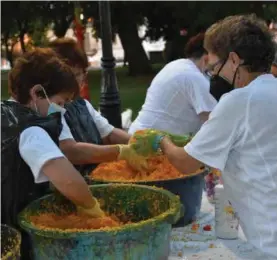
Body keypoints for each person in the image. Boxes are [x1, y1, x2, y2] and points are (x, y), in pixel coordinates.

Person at [132, 15, 277, 259]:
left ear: (233, 59)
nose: (211, 77)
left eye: (214, 68)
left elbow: (186, 162)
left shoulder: (239, 101)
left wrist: (161, 140)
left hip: (268, 233)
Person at [2, 48, 106, 259]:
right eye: (60, 103)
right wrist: (93, 208)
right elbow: (68, 180)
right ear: (37, 93)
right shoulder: (31, 130)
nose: (63, 110)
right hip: (15, 227)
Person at [48, 38, 132, 176]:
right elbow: (70, 151)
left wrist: (138, 143)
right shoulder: (51, 108)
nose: (79, 80)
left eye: (80, 74)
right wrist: (122, 151)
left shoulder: (82, 104)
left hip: (99, 177)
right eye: (73, 75)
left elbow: (109, 134)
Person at [129, 33, 217, 136]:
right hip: (151, 145)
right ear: (206, 59)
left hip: (142, 137)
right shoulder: (194, 77)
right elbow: (214, 122)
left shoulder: (178, 65)